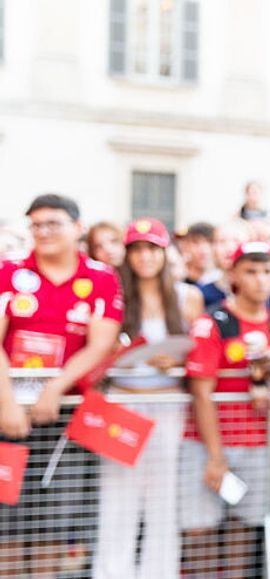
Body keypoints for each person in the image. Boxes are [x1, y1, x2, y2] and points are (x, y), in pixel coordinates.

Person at [0, 194, 124, 577]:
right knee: (6, 524)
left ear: (77, 227)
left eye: (53, 223)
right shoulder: (9, 271)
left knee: (52, 524)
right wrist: (6, 403)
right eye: (36, 224)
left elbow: (101, 343)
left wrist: (54, 389)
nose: (44, 231)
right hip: (8, 416)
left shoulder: (101, 277)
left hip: (66, 418)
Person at [94, 218, 203, 579]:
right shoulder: (115, 295)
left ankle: (160, 571)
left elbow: (200, 350)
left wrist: (177, 361)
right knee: (118, 498)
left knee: (163, 497)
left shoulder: (187, 297)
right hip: (122, 402)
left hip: (168, 403)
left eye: (152, 249)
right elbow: (97, 348)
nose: (145, 257)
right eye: (137, 249)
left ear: (164, 252)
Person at [181, 241, 270, 576]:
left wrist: (267, 378)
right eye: (251, 271)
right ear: (233, 274)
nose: (260, 280)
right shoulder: (213, 322)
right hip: (208, 443)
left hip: (259, 443)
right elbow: (201, 391)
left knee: (244, 527)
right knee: (200, 529)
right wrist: (215, 456)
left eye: (267, 271)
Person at [179, 222, 221, 286]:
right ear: (185, 245)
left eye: (209, 242)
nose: (203, 250)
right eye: (196, 243)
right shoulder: (177, 277)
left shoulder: (219, 279)